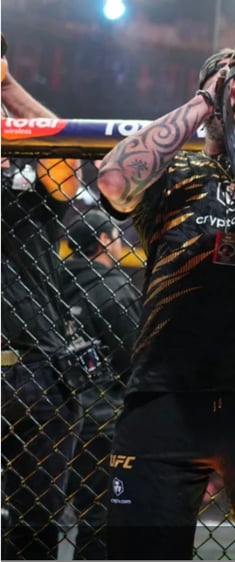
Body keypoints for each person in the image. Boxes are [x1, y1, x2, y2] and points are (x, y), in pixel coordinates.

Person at [95, 44, 235, 559]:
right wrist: (209, 95)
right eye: (227, 84)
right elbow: (113, 180)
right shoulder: (171, 174)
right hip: (165, 394)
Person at [1, 43, 84, 560]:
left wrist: (7, 85)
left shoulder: (26, 181)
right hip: (32, 369)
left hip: (33, 368)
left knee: (34, 525)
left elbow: (68, 163)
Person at [60, 208, 143, 560]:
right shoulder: (114, 288)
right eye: (117, 235)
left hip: (58, 409)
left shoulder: (54, 285)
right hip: (104, 416)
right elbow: (136, 357)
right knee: (104, 514)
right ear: (104, 240)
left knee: (36, 511)